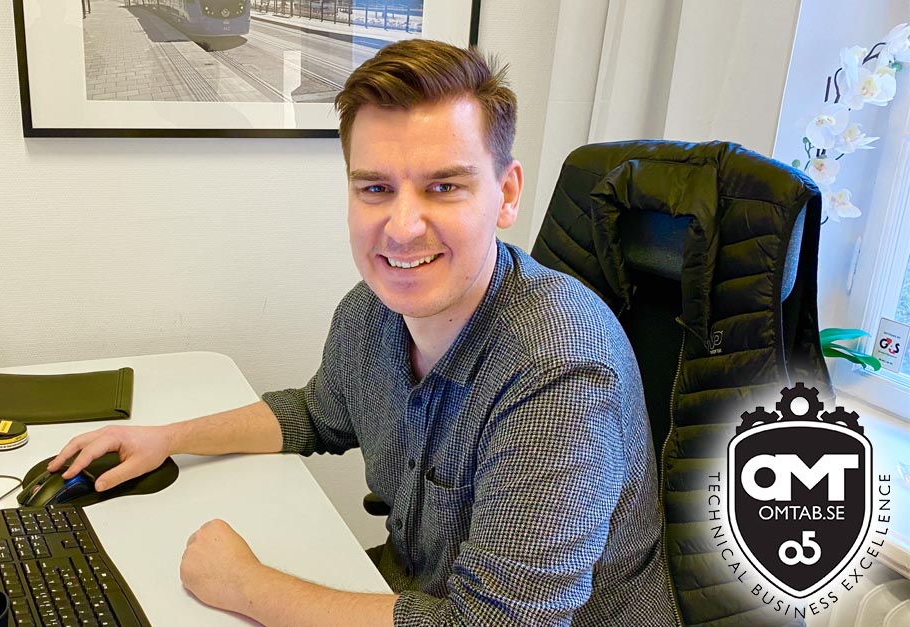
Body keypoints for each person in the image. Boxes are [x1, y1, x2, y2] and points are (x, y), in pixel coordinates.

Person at [50, 39, 678, 626]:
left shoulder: (560, 369)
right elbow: (317, 414)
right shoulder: (371, 312)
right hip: (417, 593)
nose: (403, 229)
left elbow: (494, 621)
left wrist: (245, 584)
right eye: (376, 188)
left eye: (444, 187)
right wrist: (166, 437)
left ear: (506, 194)